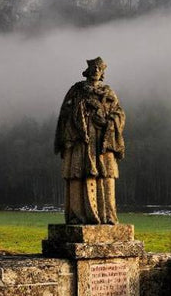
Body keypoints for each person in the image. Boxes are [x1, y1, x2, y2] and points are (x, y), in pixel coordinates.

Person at [54, 56, 126, 225]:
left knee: (107, 175)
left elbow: (119, 114)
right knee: (77, 174)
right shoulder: (77, 90)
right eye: (93, 68)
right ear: (87, 71)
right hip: (80, 141)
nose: (96, 71)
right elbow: (65, 113)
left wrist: (106, 121)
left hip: (102, 142)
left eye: (99, 68)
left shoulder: (108, 93)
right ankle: (77, 216)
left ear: (102, 73)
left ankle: (107, 216)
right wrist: (78, 117)